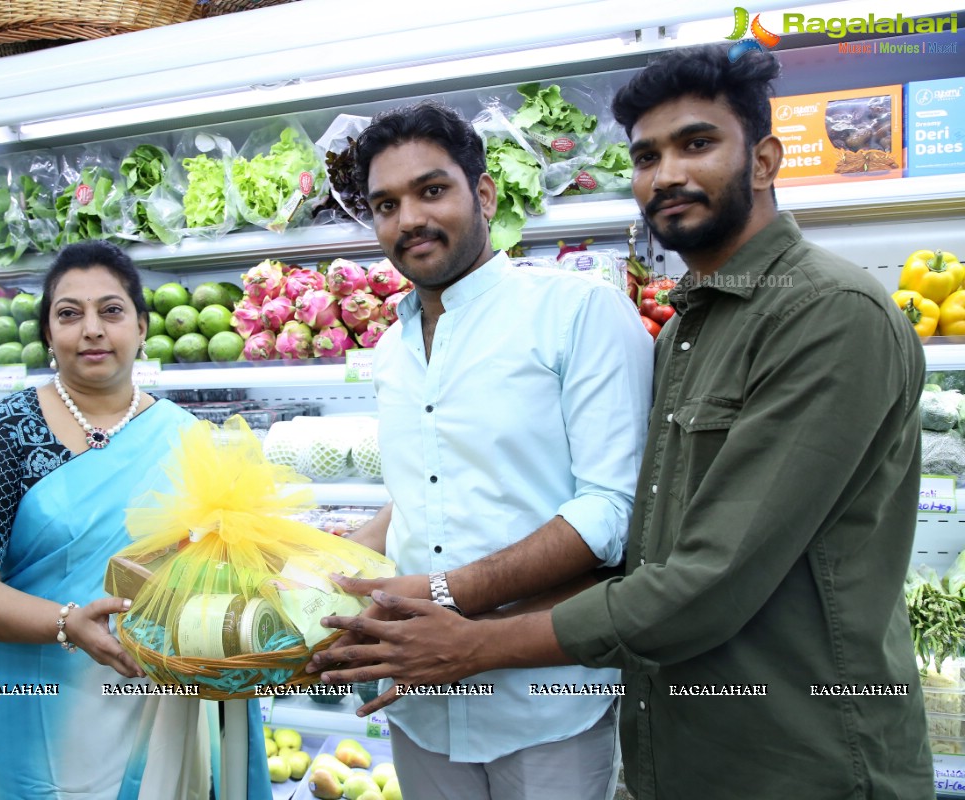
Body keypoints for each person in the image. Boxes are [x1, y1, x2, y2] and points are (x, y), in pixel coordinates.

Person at [312, 45, 935, 798]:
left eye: (697, 144)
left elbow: (697, 572)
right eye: (646, 155)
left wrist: (466, 630)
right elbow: (643, 537)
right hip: (672, 734)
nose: (667, 173)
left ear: (766, 159)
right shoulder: (685, 330)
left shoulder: (829, 315)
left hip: (802, 748)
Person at [316, 101, 653, 800]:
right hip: (416, 708)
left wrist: (445, 595)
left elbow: (613, 509)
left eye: (431, 190)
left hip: (545, 703)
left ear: (486, 194)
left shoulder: (577, 310)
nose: (408, 218)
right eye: (385, 203)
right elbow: (425, 491)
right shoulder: (390, 348)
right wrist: (330, 566)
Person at [0, 240, 271, 800]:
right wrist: (66, 622)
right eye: (69, 313)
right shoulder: (2, 435)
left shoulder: (190, 438)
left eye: (110, 311)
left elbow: (232, 567)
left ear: (140, 326)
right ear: (47, 334)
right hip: (38, 711)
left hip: (163, 702)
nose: (91, 329)